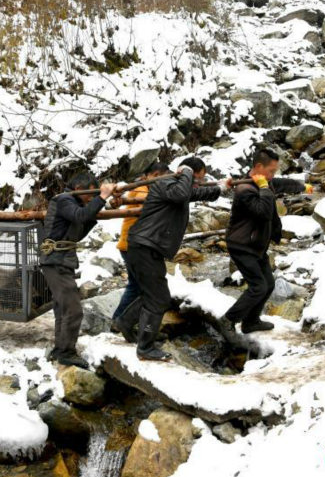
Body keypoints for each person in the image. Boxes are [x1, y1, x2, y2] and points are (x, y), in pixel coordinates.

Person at [114, 157, 231, 361]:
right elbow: (183, 193)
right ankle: (145, 347)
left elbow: (196, 193)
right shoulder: (167, 183)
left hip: (145, 246)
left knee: (154, 293)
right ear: (185, 173)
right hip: (144, 246)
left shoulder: (177, 187)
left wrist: (220, 188)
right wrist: (185, 172)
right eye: (197, 177)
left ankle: (126, 323)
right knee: (159, 299)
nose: (198, 182)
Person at [218, 148, 313, 341]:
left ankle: (251, 321)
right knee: (258, 286)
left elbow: (282, 184)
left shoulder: (265, 182)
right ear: (259, 167)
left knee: (268, 284)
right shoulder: (245, 189)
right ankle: (228, 320)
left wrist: (303, 187)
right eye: (271, 171)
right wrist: (263, 188)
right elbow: (262, 211)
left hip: (256, 245)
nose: (273, 175)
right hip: (241, 245)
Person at [40, 172, 117, 368]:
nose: (90, 199)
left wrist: (99, 206)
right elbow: (79, 215)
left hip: (60, 261)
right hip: (55, 261)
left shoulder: (71, 204)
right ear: (78, 189)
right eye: (89, 195)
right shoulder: (64, 200)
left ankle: (60, 348)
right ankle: (67, 352)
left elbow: (78, 231)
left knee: (62, 308)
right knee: (73, 310)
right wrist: (101, 197)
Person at [110, 161, 168, 329]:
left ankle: (123, 321)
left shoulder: (147, 187)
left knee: (136, 285)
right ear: (155, 176)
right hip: (131, 246)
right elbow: (144, 199)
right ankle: (119, 321)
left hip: (133, 245)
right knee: (137, 286)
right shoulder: (140, 188)